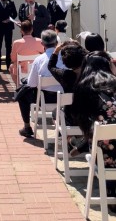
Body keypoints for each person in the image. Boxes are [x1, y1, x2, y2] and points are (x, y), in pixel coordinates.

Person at [72, 52, 116, 184]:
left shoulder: (83, 88)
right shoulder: (114, 82)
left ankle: (111, 195)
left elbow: (81, 119)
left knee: (102, 143)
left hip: (106, 151)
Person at [18, 30, 64, 137]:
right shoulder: (65, 58)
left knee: (22, 94)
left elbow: (32, 84)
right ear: (56, 43)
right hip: (64, 97)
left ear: (42, 44)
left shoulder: (39, 60)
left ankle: (27, 126)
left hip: (45, 98)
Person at [9, 20, 44, 85]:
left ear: (21, 31)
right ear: (32, 30)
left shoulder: (16, 43)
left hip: (22, 69)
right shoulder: (40, 41)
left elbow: (13, 59)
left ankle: (19, 87)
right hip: (36, 68)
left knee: (11, 67)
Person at [0, 0, 17, 71]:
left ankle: (8, 65)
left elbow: (15, 13)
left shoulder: (11, 3)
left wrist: (9, 19)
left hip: (8, 27)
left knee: (8, 47)